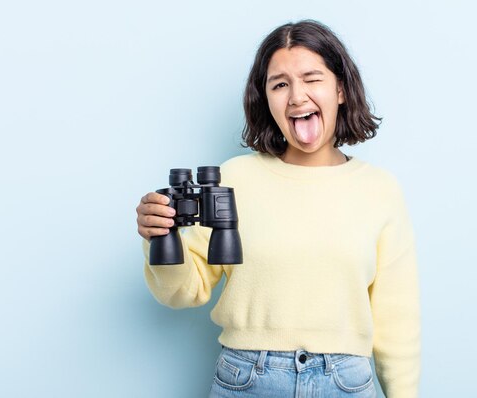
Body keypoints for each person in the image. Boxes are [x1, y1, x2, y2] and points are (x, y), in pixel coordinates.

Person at [136, 20, 420, 398]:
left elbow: (396, 317)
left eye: (311, 78)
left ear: (340, 89)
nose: (297, 96)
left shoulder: (379, 189)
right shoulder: (234, 178)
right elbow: (182, 292)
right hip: (247, 378)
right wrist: (160, 236)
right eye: (280, 84)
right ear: (266, 99)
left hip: (346, 383)